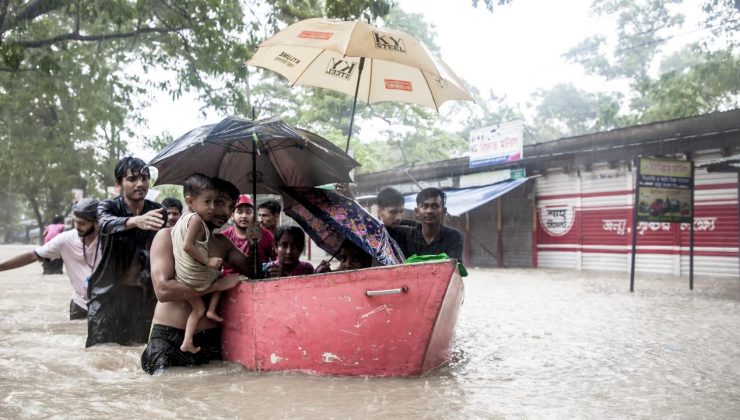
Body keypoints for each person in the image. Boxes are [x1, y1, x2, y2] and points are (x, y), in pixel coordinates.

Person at [141, 177, 254, 374]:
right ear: (196, 202)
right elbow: (163, 290)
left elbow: (253, 272)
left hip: (209, 339)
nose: (225, 212)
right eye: (219, 202)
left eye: (230, 206)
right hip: (167, 338)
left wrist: (254, 241)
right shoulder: (167, 236)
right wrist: (216, 286)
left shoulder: (223, 243)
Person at [86, 157, 165, 347]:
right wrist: (134, 221)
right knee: (101, 351)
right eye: (132, 179)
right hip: (107, 295)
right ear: (119, 184)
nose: (140, 184)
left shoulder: (157, 211)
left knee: (139, 349)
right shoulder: (108, 207)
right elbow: (105, 223)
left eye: (145, 178)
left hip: (144, 295)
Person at [0, 198, 101, 320]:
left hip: (107, 306)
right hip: (80, 305)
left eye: (82, 223)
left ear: (96, 222)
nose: (77, 226)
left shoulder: (111, 239)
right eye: (75, 222)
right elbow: (32, 255)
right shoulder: (65, 239)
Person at [171, 174, 233, 353]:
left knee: (198, 309)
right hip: (194, 277)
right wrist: (207, 261)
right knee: (220, 276)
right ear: (190, 202)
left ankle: (187, 342)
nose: (212, 208)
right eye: (208, 202)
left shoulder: (180, 222)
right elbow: (188, 246)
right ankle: (213, 310)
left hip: (181, 277)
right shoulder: (196, 220)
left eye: (215, 202)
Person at [387, 188, 463, 261]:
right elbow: (383, 228)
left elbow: (455, 268)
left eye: (435, 206)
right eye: (424, 206)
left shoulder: (453, 236)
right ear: (417, 211)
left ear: (444, 211)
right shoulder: (405, 235)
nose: (429, 211)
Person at [221, 194, 276, 278]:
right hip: (230, 286)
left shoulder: (266, 235)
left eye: (248, 212)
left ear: (253, 215)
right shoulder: (224, 236)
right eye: (239, 212)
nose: (244, 216)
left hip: (259, 283)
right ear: (232, 215)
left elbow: (276, 259)